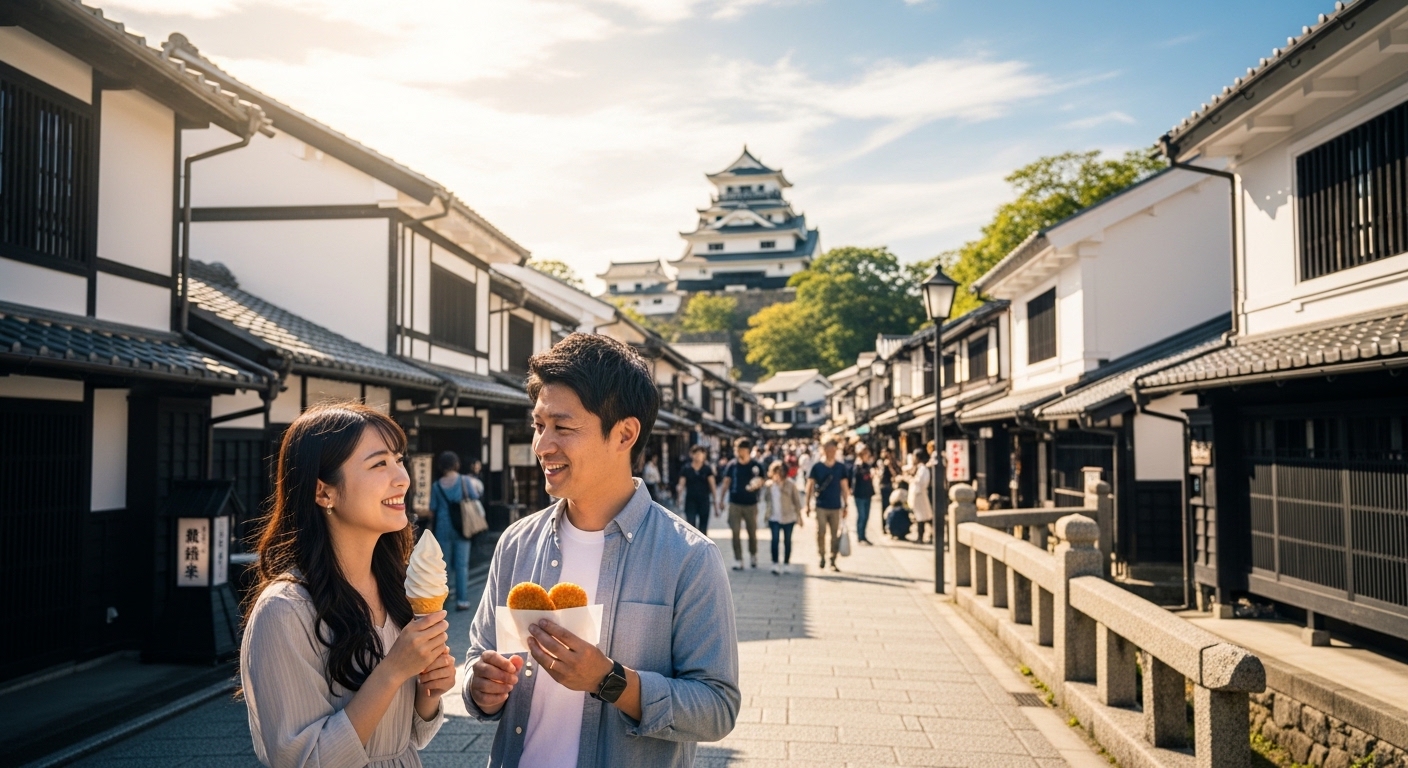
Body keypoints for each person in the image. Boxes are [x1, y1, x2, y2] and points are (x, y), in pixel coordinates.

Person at [464, 333, 739, 767]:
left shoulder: (689, 557)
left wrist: (610, 680)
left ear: (625, 433)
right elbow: (478, 656)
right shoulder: (517, 543)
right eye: (539, 425)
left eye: (563, 427)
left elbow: (718, 707)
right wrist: (479, 687)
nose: (542, 445)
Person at [241, 403, 454, 767]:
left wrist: (428, 691)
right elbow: (304, 761)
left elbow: (411, 737)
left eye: (398, 460)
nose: (402, 477)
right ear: (324, 492)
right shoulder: (285, 610)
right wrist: (393, 671)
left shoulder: (397, 587)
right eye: (378, 464)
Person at [430, 451, 478, 611]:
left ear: (441, 466)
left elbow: (433, 508)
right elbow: (474, 496)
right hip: (462, 526)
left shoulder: (436, 486)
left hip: (443, 528)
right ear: (456, 464)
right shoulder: (464, 480)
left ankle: (444, 598)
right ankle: (462, 600)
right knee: (462, 565)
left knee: (444, 565)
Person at [717, 437, 765, 570]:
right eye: (736, 449)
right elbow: (726, 482)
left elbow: (762, 480)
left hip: (751, 503)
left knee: (752, 531)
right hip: (735, 503)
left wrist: (757, 484)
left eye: (739, 449)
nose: (737, 452)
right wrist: (721, 500)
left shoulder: (756, 466)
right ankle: (738, 559)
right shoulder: (732, 465)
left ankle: (753, 554)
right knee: (735, 532)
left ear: (747, 450)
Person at [805, 439, 851, 572]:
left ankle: (833, 558)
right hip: (821, 505)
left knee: (835, 534)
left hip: (835, 505)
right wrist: (807, 504)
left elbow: (844, 486)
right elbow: (810, 485)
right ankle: (822, 555)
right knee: (821, 532)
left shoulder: (840, 468)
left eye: (833, 450)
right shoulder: (817, 467)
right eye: (828, 450)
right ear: (823, 450)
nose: (830, 453)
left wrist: (846, 505)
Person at [757, 460, 803, 575]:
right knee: (775, 540)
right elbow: (764, 500)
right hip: (773, 517)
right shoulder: (769, 485)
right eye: (775, 472)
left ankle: (786, 563)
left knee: (787, 541)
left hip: (788, 517)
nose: (777, 475)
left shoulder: (790, 484)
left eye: (780, 472)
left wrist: (799, 516)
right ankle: (775, 563)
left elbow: (796, 501)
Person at [676, 445, 717, 534]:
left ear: (704, 456)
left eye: (700, 454)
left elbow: (712, 485)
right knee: (691, 526)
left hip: (704, 500)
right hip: (691, 500)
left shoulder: (707, 469)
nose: (698, 456)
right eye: (696, 454)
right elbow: (681, 484)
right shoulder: (686, 468)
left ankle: (703, 547)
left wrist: (715, 502)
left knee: (703, 527)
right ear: (691, 455)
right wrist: (679, 497)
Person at [904, 449, 934, 544]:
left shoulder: (923, 469)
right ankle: (927, 535)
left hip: (920, 495)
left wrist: (910, 479)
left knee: (922, 517)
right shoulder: (919, 468)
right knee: (922, 516)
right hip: (918, 495)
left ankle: (922, 537)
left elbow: (920, 482)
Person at [851, 446, 876, 546]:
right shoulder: (858, 466)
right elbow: (855, 480)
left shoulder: (868, 466)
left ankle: (864, 536)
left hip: (867, 493)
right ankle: (860, 536)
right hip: (859, 494)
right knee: (861, 516)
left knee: (866, 516)